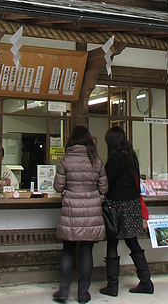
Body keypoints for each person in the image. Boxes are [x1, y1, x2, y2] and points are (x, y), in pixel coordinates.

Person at [53, 125, 108, 304]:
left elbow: (58, 187)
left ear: (72, 140)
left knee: (68, 249)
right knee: (86, 250)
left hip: (71, 209)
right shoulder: (96, 160)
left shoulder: (65, 160)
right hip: (92, 209)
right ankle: (83, 292)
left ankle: (63, 289)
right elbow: (104, 188)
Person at [99, 126, 154, 297]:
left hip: (116, 205)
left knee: (112, 242)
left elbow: (107, 182)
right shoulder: (131, 156)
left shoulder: (115, 158)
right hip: (132, 204)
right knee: (132, 241)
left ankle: (112, 285)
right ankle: (146, 281)